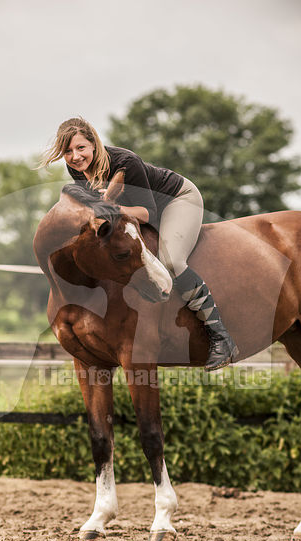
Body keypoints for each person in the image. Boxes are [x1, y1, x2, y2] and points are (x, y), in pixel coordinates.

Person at [40, 117, 237, 371]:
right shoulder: (76, 169)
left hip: (176, 201)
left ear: (94, 144)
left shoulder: (126, 163)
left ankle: (221, 336)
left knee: (171, 262)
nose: (75, 157)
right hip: (132, 211)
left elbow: (147, 214)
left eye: (80, 148)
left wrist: (112, 208)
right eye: (67, 151)